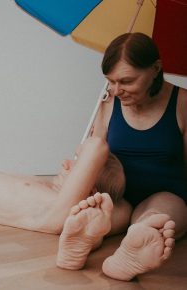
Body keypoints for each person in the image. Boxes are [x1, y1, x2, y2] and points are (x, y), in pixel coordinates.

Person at [57, 32, 185, 281]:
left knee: (155, 219)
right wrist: (76, 167)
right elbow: (94, 150)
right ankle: (85, 239)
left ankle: (135, 246)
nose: (117, 90)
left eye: (126, 81)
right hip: (116, 195)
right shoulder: (107, 100)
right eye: (110, 81)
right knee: (98, 216)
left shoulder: (183, 102)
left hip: (167, 193)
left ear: (155, 69)